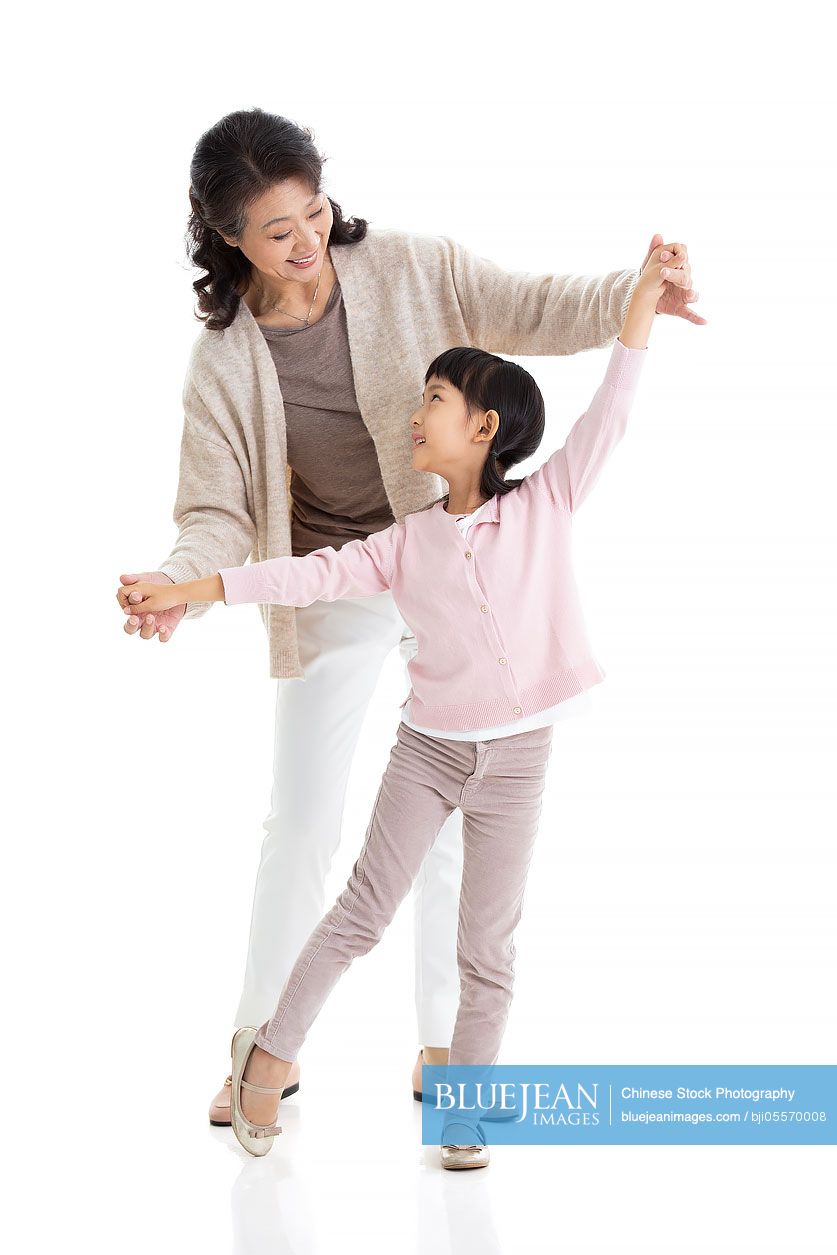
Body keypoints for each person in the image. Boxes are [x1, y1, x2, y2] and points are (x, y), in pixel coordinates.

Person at [118, 107, 702, 1126]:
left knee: (449, 826)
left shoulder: (409, 266)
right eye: (277, 232)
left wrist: (635, 291)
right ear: (227, 238)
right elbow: (214, 510)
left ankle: (448, 1052)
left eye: (314, 212)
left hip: (445, 558)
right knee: (301, 819)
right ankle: (264, 1047)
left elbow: (528, 305)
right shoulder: (223, 360)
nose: (308, 243)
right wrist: (181, 584)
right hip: (338, 575)